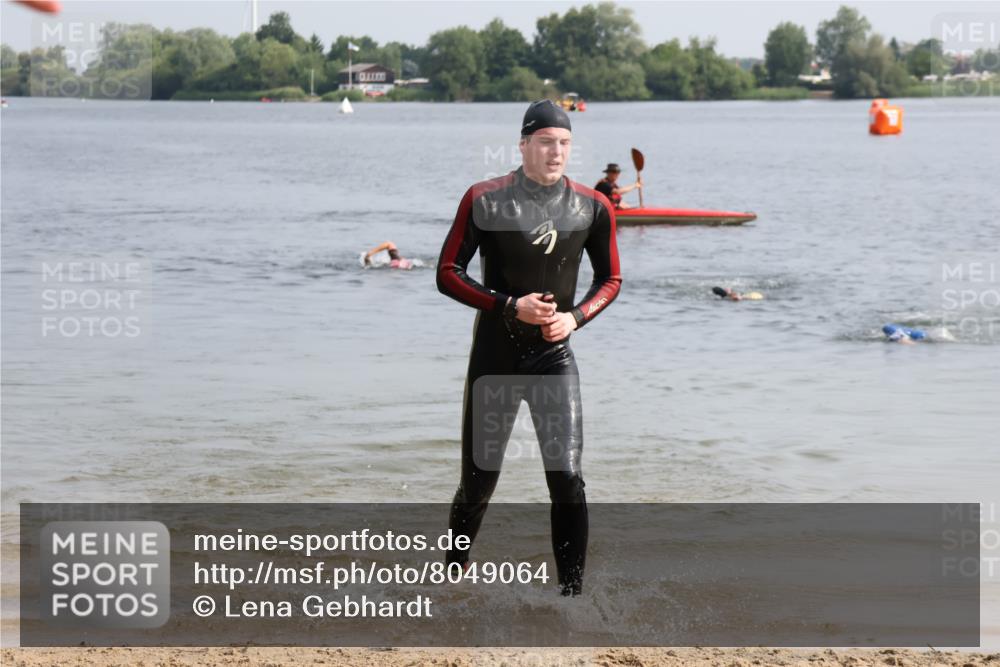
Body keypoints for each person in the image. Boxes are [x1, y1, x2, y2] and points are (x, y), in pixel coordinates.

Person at [437, 99, 622, 596]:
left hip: (552, 357)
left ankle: (572, 601)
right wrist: (507, 305)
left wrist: (574, 317)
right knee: (479, 483)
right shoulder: (485, 199)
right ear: (523, 145)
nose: (555, 152)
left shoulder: (591, 207)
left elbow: (610, 280)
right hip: (495, 357)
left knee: (567, 478)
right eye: (545, 142)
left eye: (564, 143)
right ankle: (451, 582)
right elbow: (447, 273)